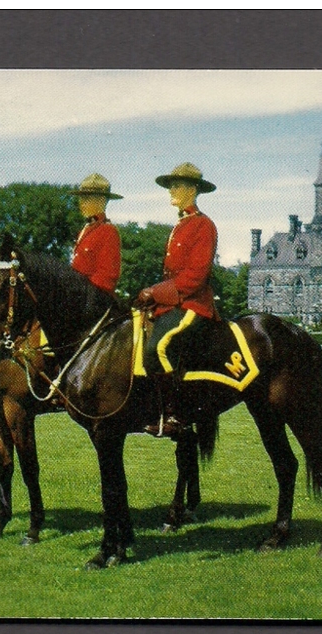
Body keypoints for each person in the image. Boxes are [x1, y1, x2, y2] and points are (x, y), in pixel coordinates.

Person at [135, 162, 218, 438]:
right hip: (172, 303)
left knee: (158, 348)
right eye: (171, 185)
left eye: (177, 185)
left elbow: (195, 276)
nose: (171, 190)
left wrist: (155, 292)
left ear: (193, 190)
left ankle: (175, 414)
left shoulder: (203, 225)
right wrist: (152, 295)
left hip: (194, 304)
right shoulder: (180, 225)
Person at [68, 173, 122, 295]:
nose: (81, 203)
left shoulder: (108, 231)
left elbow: (107, 277)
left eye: (86, 199)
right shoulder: (86, 230)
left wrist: (80, 292)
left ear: (102, 201)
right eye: (81, 198)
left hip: (93, 299)